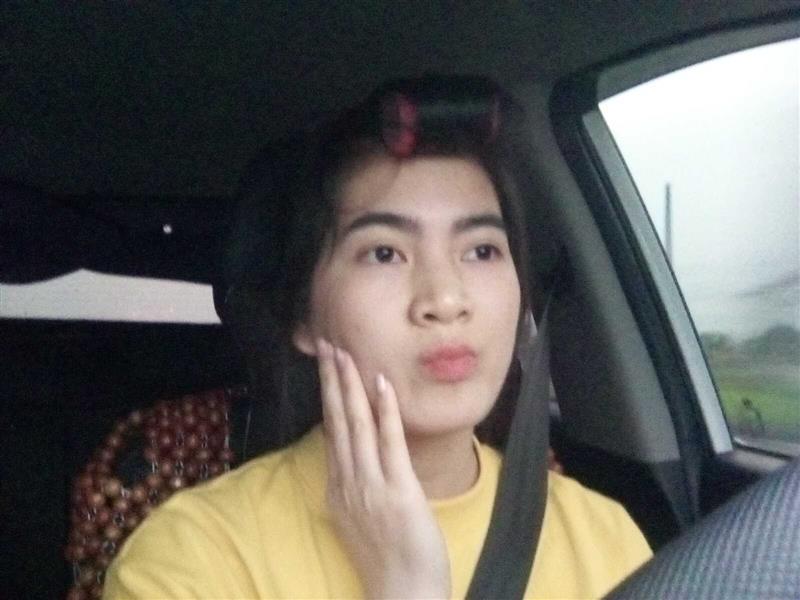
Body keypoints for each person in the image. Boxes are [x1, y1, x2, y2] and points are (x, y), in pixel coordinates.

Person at [104, 76, 651, 599]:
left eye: (482, 250)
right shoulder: (192, 560)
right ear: (304, 317)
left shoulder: (606, 541)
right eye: (384, 253)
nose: (445, 299)